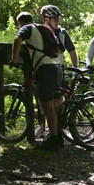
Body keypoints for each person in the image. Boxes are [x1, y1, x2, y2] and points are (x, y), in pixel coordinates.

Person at [11, 11, 64, 151]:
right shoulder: (44, 28)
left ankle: (53, 140)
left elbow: (17, 40)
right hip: (57, 67)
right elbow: (60, 48)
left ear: (20, 23)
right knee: (52, 103)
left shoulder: (27, 28)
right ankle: (59, 136)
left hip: (46, 69)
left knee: (47, 104)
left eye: (18, 25)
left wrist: (14, 60)